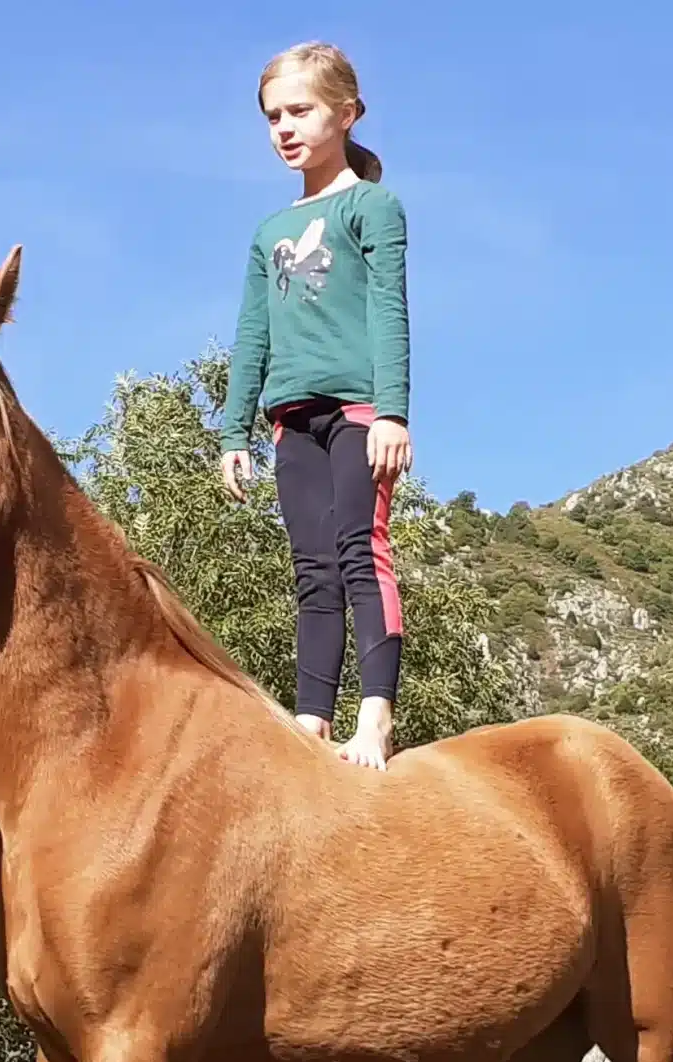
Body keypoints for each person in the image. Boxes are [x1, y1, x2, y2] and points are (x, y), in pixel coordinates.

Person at [219, 41, 413, 769]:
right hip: (291, 419)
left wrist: (392, 411)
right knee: (312, 571)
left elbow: (390, 310)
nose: (284, 128)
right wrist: (234, 429)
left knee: (362, 553)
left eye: (299, 110)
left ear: (347, 112)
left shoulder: (372, 206)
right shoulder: (268, 232)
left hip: (360, 413)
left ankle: (375, 718)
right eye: (273, 116)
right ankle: (312, 723)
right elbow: (252, 333)